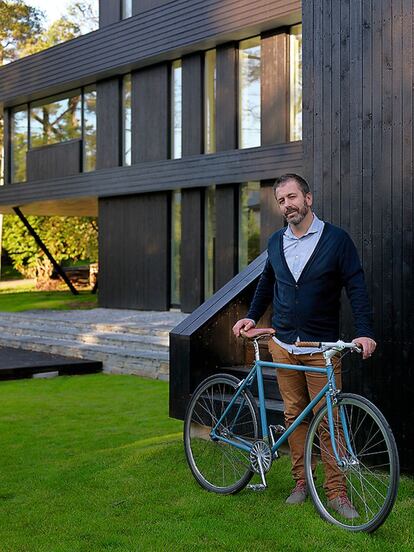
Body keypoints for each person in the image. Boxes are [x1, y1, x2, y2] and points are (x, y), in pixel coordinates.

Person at [232, 173, 376, 519]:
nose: (287, 206)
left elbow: (355, 286)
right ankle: (301, 483)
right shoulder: (276, 242)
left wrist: (365, 331)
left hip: (320, 348)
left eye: (292, 197)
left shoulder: (336, 240)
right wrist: (252, 316)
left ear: (308, 199)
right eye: (281, 201)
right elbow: (268, 282)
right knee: (294, 417)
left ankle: (337, 492)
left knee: (329, 420)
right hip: (282, 345)